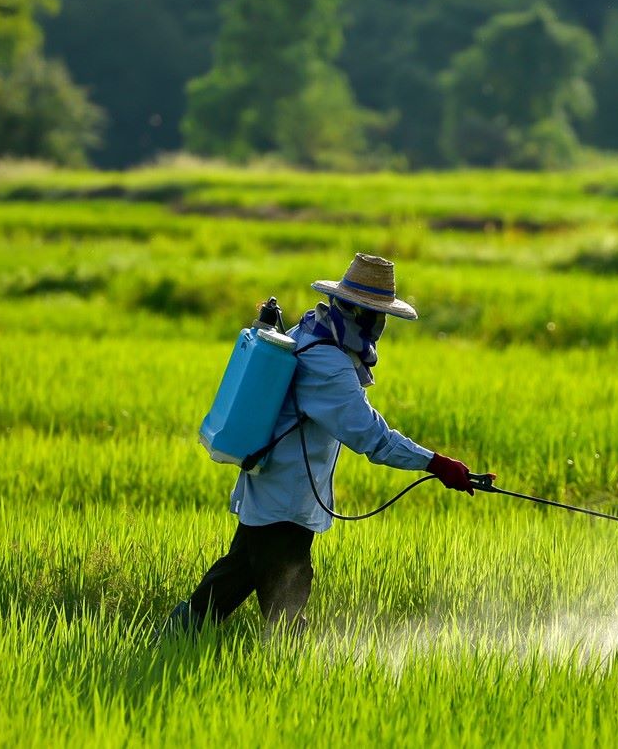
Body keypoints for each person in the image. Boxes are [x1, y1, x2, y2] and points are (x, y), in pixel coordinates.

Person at [165, 253, 487, 637]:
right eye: (378, 316)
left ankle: (170, 641)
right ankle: (289, 671)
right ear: (359, 314)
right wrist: (436, 463)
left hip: (271, 491)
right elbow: (371, 436)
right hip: (285, 501)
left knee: (230, 581)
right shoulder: (327, 361)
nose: (380, 326)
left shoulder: (310, 329)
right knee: (287, 606)